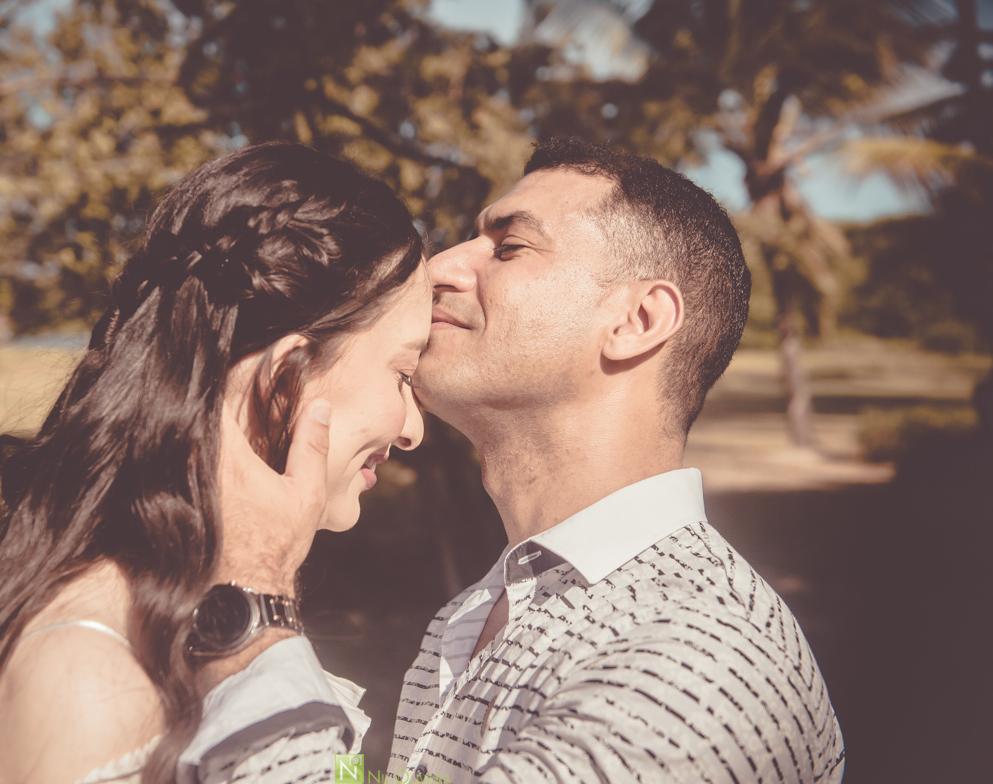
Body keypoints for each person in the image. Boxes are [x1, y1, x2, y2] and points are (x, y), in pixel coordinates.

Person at [183, 138, 845, 784]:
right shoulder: (475, 611)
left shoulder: (700, 657)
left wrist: (250, 592)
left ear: (638, 319)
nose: (439, 267)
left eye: (509, 247)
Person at [0, 142, 433, 784]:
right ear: (286, 377)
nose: (412, 428)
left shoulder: (179, 613)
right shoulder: (90, 680)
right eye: (404, 372)